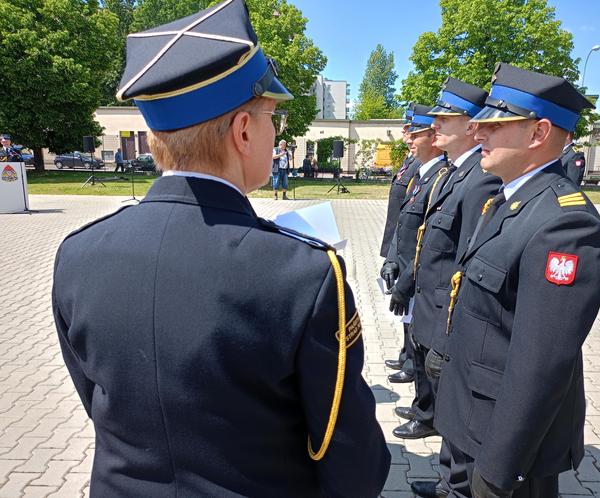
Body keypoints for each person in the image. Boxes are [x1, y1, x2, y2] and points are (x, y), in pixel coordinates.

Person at [52, 2, 390, 497]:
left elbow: (100, 400)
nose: (275, 135)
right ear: (244, 130)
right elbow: (350, 457)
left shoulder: (78, 254)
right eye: (272, 117)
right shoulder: (304, 274)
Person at [433, 63, 600, 498]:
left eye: (495, 126)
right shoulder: (507, 200)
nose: (479, 134)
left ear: (538, 133)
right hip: (470, 416)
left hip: (504, 440)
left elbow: (540, 364)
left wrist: (500, 467)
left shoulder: (565, 226)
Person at [393, 80, 501, 490]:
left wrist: (445, 333)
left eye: (444, 118)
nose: (434, 124)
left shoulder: (480, 180)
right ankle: (448, 482)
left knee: (457, 414)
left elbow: (467, 265)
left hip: (447, 314)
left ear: (472, 125)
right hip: (431, 307)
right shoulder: (454, 172)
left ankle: (455, 485)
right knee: (449, 413)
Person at [382, 106, 450, 432]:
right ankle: (423, 408)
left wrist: (406, 280)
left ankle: (428, 413)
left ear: (434, 138)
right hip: (409, 270)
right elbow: (403, 223)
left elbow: (429, 239)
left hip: (420, 276)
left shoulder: (440, 177)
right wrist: (393, 259)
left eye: (416, 132)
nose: (408, 138)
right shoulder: (423, 174)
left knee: (422, 346)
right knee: (414, 340)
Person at [380, 103, 421, 380]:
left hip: (411, 250)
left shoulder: (425, 166)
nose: (406, 132)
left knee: (411, 309)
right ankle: (406, 354)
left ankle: (411, 359)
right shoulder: (411, 161)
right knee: (404, 309)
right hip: (399, 243)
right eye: (407, 127)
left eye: (412, 128)